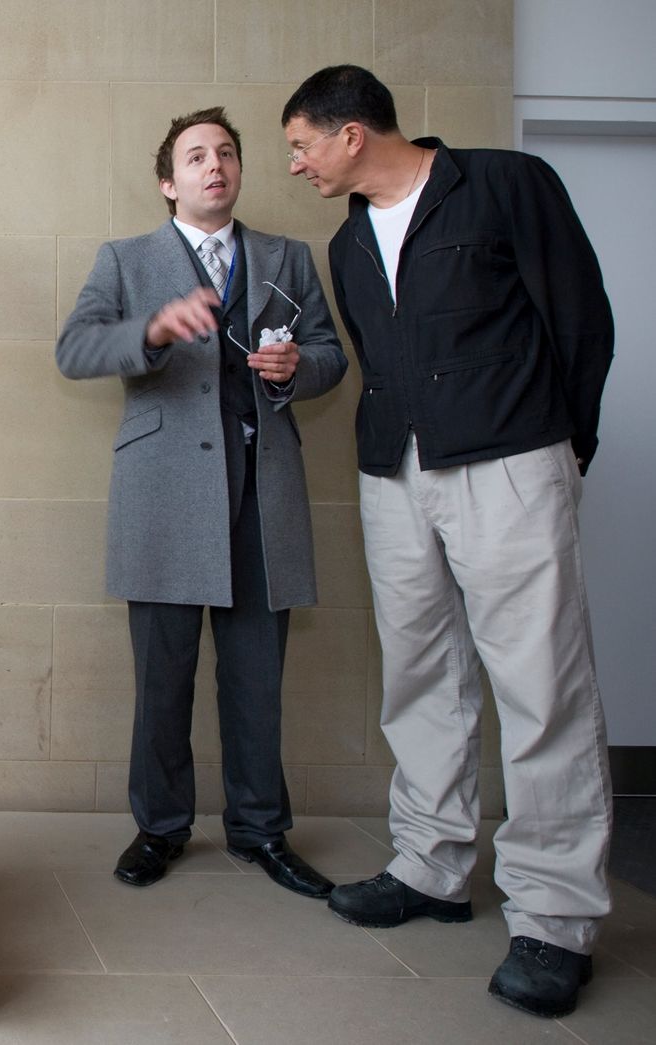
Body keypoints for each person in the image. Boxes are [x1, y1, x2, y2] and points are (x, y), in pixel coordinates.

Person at [281, 66, 614, 1017]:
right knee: (420, 672)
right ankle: (431, 864)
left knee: (542, 681)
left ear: (353, 135)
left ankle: (555, 917)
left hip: (510, 457)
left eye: (303, 143)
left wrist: (559, 446)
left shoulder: (505, 184)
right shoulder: (348, 245)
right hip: (395, 475)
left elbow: (581, 320)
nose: (297, 164)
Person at [56, 107, 347, 898]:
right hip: (164, 497)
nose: (213, 164)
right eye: (195, 156)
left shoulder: (287, 257)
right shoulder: (125, 260)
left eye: (225, 153)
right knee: (164, 675)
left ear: (239, 171)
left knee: (257, 677)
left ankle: (260, 830)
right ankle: (160, 827)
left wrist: (300, 367)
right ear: (168, 181)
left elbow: (331, 357)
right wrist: (150, 329)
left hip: (265, 491)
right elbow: (74, 348)